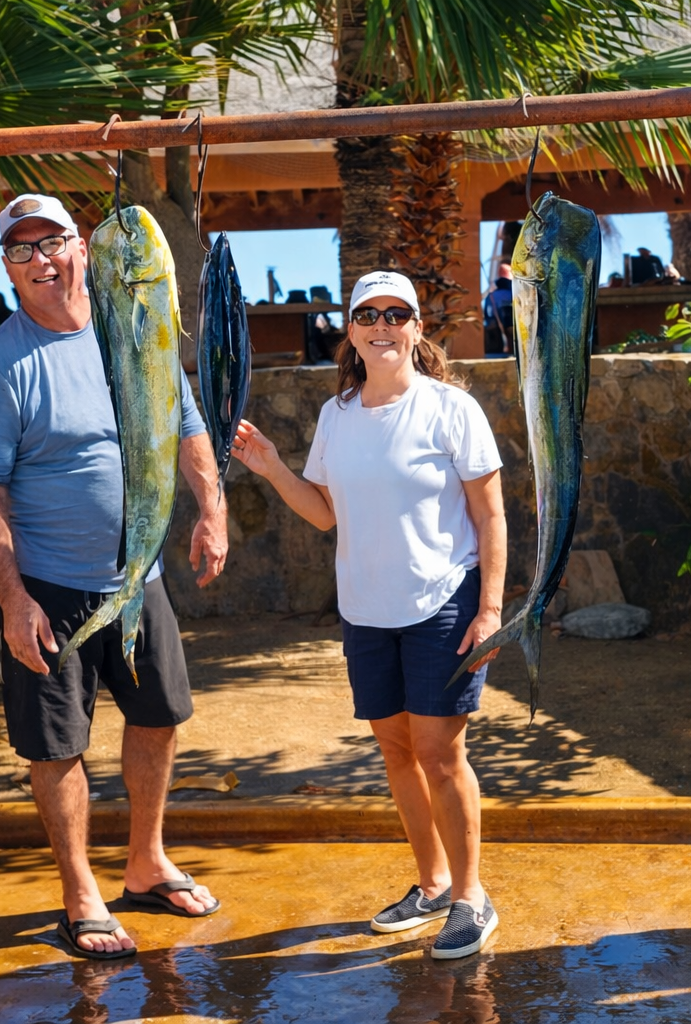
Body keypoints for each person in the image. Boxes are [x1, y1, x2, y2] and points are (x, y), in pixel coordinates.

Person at [0, 194, 231, 960]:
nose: (41, 260)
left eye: (51, 242)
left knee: (159, 717)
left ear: (82, 248)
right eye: (21, 250)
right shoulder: (2, 367)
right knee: (56, 748)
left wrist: (211, 509)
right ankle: (81, 893)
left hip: (140, 579)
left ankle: (146, 864)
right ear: (8, 270)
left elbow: (185, 420)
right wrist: (13, 600)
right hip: (49, 588)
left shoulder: (131, 325)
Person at [231, 270, 507, 960]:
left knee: (440, 754)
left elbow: (490, 516)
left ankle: (472, 897)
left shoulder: (451, 408)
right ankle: (433, 884)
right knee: (398, 751)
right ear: (350, 331)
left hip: (443, 604)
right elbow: (325, 513)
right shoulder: (337, 415)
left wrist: (491, 609)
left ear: (416, 327)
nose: (382, 325)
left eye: (396, 313)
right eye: (367, 315)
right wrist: (271, 467)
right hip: (366, 613)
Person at [482, 263, 514, 356]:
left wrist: (489, 320)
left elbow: (487, 311)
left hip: (500, 322)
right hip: (509, 321)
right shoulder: (512, 293)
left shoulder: (492, 295)